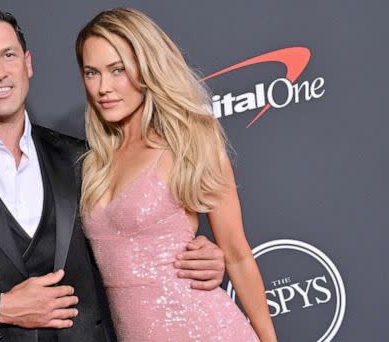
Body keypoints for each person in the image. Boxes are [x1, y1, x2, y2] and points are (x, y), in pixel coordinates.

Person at [0, 7, 226, 342]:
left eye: (9, 55)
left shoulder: (83, 157)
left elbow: (124, 238)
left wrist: (193, 255)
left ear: (28, 64)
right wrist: (1, 308)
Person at [76, 8, 277, 342]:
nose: (103, 87)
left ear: (146, 66)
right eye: (91, 72)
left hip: (207, 330)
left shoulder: (190, 143)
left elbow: (238, 255)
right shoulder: (93, 160)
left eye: (117, 70)